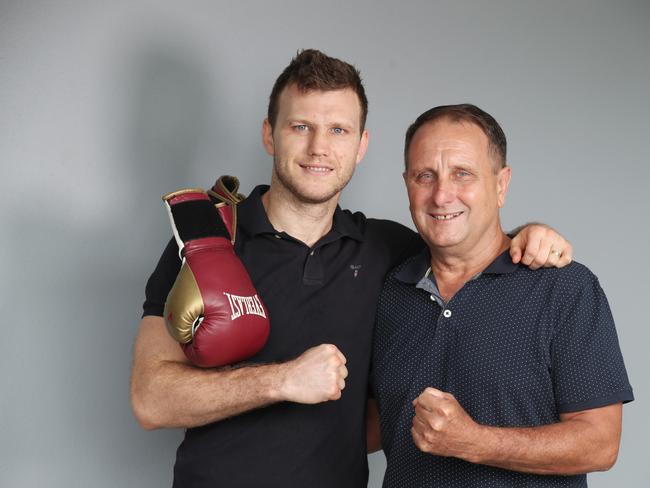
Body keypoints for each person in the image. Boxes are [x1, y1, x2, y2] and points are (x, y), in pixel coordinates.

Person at [130, 51, 572, 487]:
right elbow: (151, 400)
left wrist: (528, 235)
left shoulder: (389, 249)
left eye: (338, 130)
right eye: (300, 126)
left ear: (361, 145)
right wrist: (282, 380)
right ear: (269, 135)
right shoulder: (207, 240)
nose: (319, 147)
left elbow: (466, 243)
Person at [371, 104, 633, 487]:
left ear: (501, 184)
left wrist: (475, 442)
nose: (442, 195)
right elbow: (371, 422)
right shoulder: (389, 291)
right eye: (424, 175)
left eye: (463, 174)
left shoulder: (564, 288)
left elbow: (600, 444)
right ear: (407, 183)